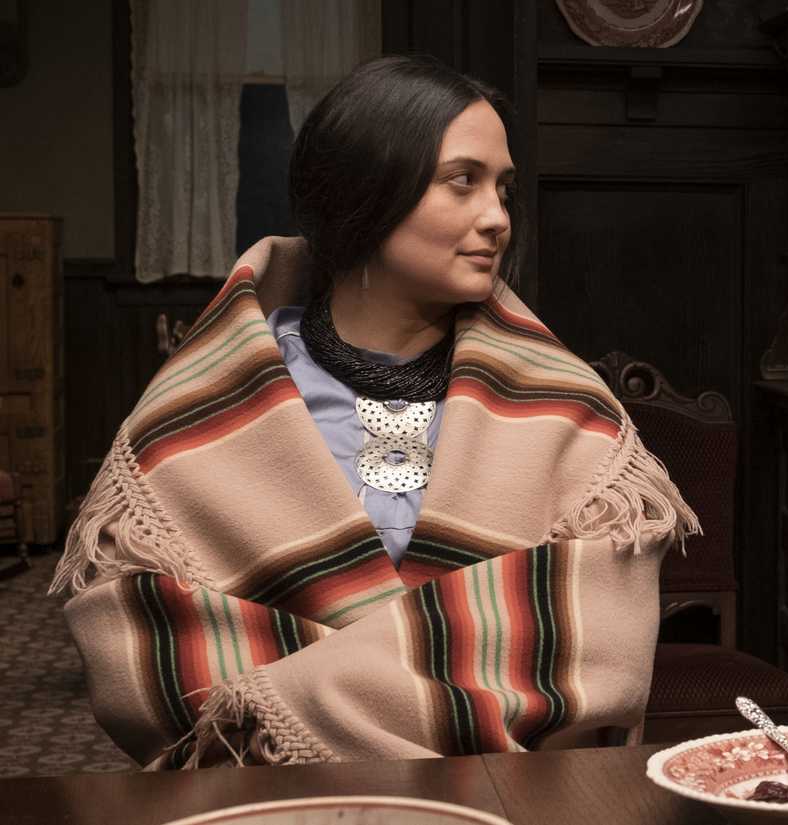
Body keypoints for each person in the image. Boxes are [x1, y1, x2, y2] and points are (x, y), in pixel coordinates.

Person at [51, 55, 697, 768]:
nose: (496, 219)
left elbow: (596, 646)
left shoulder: (565, 408)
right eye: (463, 180)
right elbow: (147, 646)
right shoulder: (211, 404)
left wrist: (301, 692)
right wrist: (422, 683)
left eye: (503, 189)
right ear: (367, 187)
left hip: (504, 792)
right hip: (265, 795)